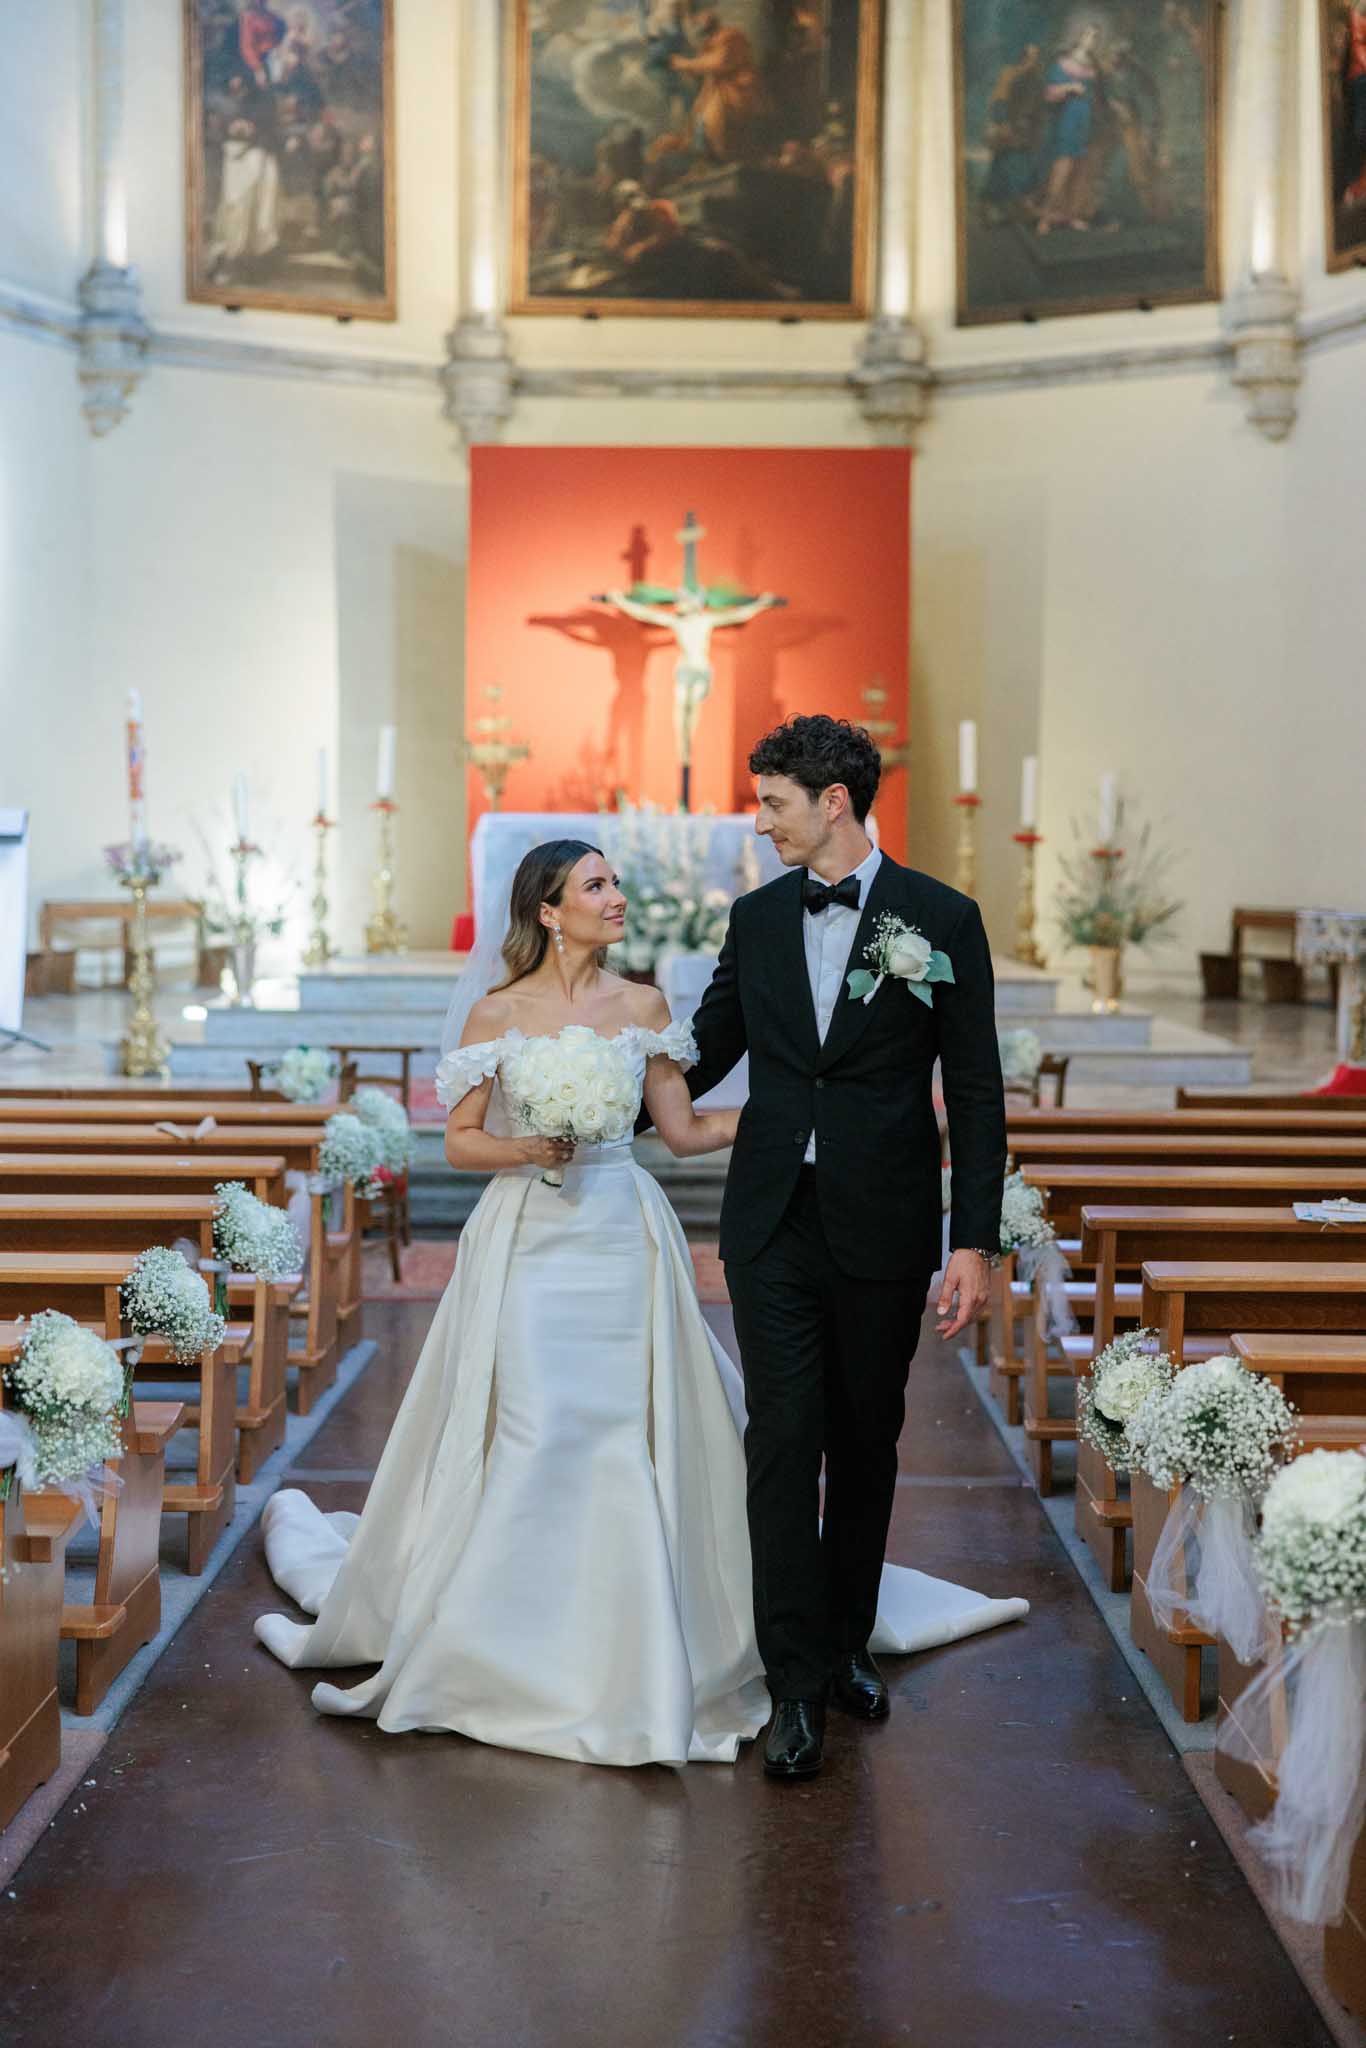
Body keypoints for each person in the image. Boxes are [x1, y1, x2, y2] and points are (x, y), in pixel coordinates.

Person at [255, 836, 1024, 1770]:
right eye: (597, 885)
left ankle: (635, 1644)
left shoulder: (646, 1006)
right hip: (532, 1243)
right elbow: (456, 1141)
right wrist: (527, 1149)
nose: (618, 896)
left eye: (616, 881)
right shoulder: (495, 1012)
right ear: (547, 908)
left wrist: (821, 1120)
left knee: (624, 1429)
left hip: (622, 1232)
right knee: (540, 1426)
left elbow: (688, 1130)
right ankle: (520, 1642)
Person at [678, 715, 1008, 1780]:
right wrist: (597, 1092)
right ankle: (791, 1685)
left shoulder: (941, 916)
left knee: (866, 1437)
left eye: (772, 799)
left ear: (833, 801)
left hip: (885, 1218)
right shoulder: (758, 915)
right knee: (781, 1437)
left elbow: (974, 1089)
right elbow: (704, 1047)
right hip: (771, 1217)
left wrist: (974, 1241)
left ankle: (845, 1638)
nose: (758, 817)